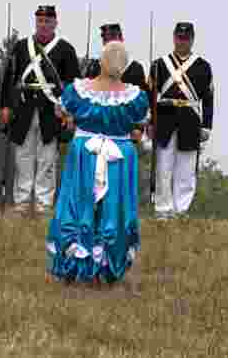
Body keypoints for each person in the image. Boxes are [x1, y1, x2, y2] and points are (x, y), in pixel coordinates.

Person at [46, 41, 150, 284]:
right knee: (113, 209)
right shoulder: (135, 98)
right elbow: (140, 122)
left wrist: (75, 119)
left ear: (101, 61)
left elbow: (60, 111)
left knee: (79, 203)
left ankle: (74, 262)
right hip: (119, 155)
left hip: (86, 152)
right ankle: (107, 265)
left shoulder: (78, 91)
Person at [0, 5, 80, 215]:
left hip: (51, 110)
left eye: (47, 21)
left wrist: (68, 111)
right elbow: (9, 78)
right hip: (24, 108)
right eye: (40, 21)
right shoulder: (21, 47)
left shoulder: (65, 49)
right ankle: (22, 202)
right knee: (22, 158)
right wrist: (6, 105)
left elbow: (73, 85)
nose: (43, 25)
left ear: (55, 23)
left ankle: (43, 204)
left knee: (47, 160)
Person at [149, 22, 214, 219]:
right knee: (163, 165)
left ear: (192, 39)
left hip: (190, 119)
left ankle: (181, 209)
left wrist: (207, 126)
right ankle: (162, 208)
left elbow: (209, 98)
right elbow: (150, 96)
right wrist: (150, 122)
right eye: (179, 37)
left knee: (186, 168)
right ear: (174, 38)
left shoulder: (203, 66)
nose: (182, 42)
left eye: (186, 38)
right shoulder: (159, 65)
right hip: (165, 117)